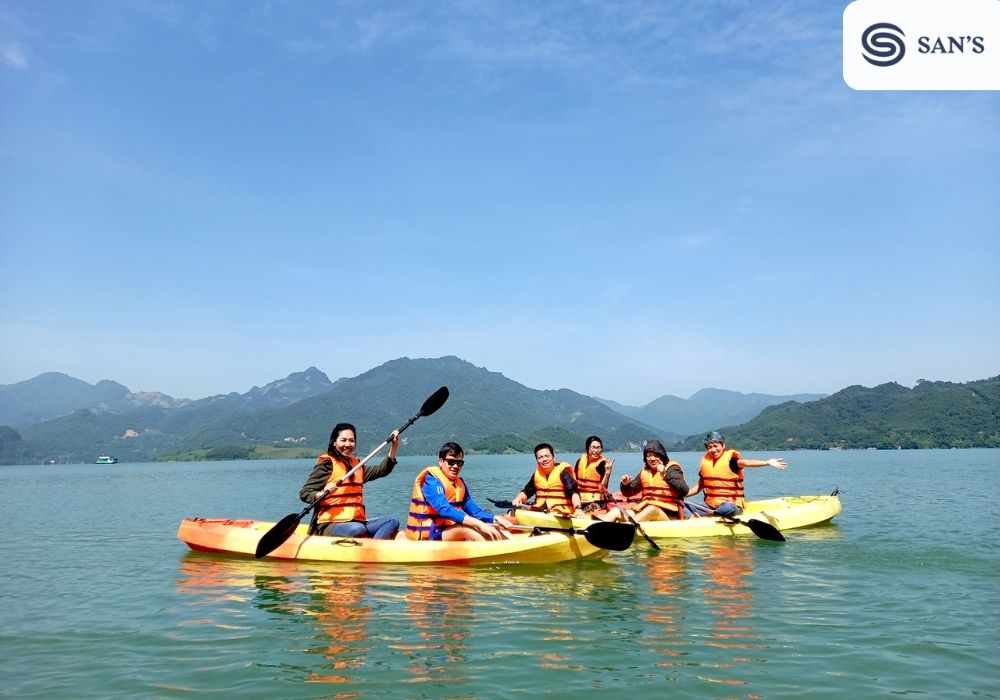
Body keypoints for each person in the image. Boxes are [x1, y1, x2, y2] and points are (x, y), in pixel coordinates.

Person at [299, 422, 401, 539]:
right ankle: (368, 546)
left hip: (357, 522)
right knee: (357, 529)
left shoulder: (357, 465)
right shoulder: (327, 464)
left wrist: (394, 446)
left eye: (351, 440)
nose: (347, 444)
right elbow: (305, 493)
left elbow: (381, 470)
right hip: (329, 524)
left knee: (392, 521)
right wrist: (321, 493)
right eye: (343, 440)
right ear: (334, 442)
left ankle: (370, 550)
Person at [404, 442, 514, 541]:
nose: (455, 466)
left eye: (459, 463)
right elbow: (444, 509)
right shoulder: (431, 482)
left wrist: (494, 519)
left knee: (495, 526)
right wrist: (478, 524)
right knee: (466, 530)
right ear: (441, 462)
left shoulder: (459, 484)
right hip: (430, 535)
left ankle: (513, 545)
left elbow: (474, 511)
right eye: (451, 462)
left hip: (447, 529)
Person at [687, 430, 788, 516]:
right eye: (709, 447)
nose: (713, 450)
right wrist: (681, 496)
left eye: (715, 446)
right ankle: (697, 516)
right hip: (710, 505)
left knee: (728, 507)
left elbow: (747, 462)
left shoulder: (732, 461)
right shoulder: (707, 463)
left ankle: (712, 514)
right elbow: (699, 487)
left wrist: (767, 462)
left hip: (732, 505)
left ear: (723, 445)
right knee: (683, 505)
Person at [618, 439, 690, 521]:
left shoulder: (672, 469)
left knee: (652, 509)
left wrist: (665, 474)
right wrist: (625, 484)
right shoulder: (645, 471)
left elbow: (684, 490)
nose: (652, 459)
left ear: (662, 456)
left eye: (656, 456)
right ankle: (602, 527)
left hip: (669, 515)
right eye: (649, 456)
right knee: (616, 511)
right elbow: (629, 493)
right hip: (645, 509)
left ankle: (626, 528)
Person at [510, 443, 585, 517]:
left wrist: (578, 508)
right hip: (540, 510)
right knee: (511, 512)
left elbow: (573, 492)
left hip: (561, 512)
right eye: (540, 457)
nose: (544, 459)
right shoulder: (537, 474)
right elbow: (527, 491)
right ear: (537, 460)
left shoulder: (563, 471)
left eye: (547, 456)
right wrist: (518, 498)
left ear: (553, 458)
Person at [574, 435, 615, 513]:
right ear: (587, 448)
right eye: (593, 447)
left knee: (590, 508)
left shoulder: (603, 464)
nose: (596, 451)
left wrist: (607, 473)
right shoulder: (580, 461)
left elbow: (604, 488)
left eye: (599, 448)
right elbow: (574, 481)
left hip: (596, 501)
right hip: (579, 499)